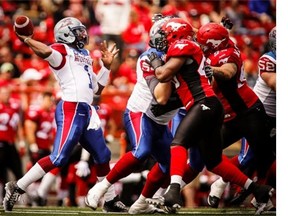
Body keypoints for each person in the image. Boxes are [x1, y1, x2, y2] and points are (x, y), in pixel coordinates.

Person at [144, 17, 274, 215]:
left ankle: (173, 192)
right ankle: (258, 191)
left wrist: (155, 61)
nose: (199, 42)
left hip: (242, 111)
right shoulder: (203, 46)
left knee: (261, 155)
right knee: (211, 160)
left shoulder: (223, 52)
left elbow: (227, 71)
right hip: (223, 113)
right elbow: (199, 33)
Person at [2, 17, 128, 213]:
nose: (82, 34)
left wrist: (106, 67)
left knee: (103, 155)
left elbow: (97, 89)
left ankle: (110, 200)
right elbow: (45, 51)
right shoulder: (61, 50)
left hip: (86, 109)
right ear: (66, 34)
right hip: (71, 107)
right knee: (59, 157)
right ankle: (17, 186)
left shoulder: (85, 54)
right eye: (77, 31)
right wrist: (27, 39)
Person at [84, 16, 183, 214]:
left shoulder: (185, 59)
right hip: (140, 113)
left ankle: (143, 203)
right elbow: (161, 97)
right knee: (142, 151)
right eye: (176, 39)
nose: (181, 43)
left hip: (161, 121)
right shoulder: (150, 58)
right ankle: (99, 189)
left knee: (170, 165)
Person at [207, 26, 277, 210]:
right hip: (258, 113)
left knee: (268, 157)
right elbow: (277, 84)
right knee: (247, 158)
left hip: (274, 117)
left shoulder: (228, 48)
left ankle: (260, 198)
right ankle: (220, 184)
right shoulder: (268, 59)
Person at [0, 85, 25, 204]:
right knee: (2, 172)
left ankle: (17, 197)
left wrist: (21, 142)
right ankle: (3, 197)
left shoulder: (14, 107)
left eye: (8, 93)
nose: (7, 95)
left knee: (19, 171)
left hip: (10, 143)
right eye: (4, 93)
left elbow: (18, 125)